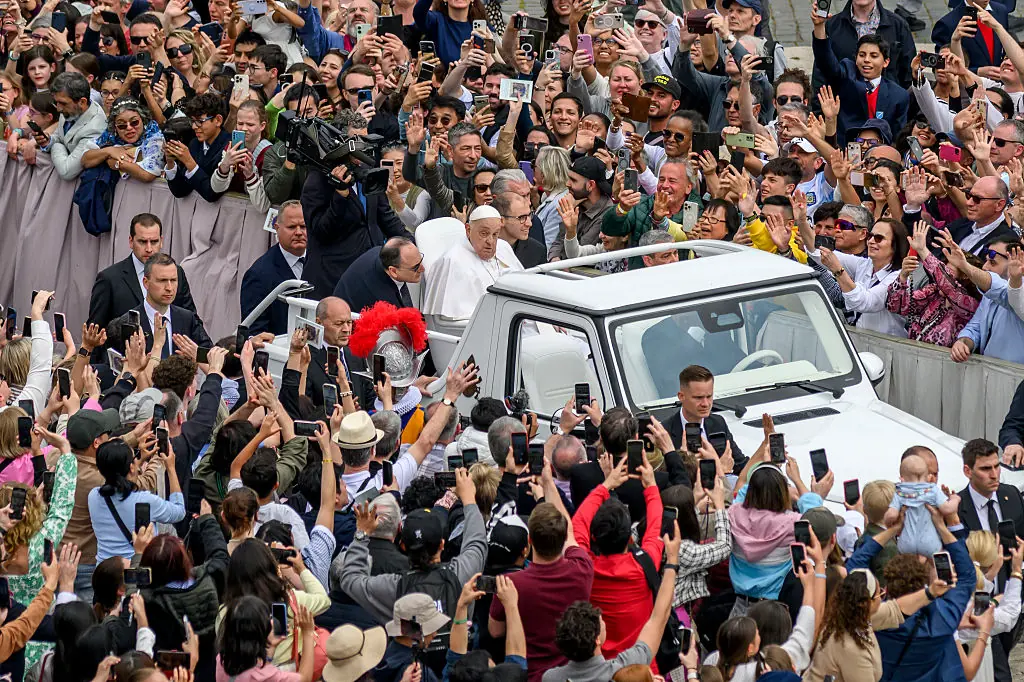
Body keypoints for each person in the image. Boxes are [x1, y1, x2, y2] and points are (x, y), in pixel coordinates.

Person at [540, 520, 682, 682]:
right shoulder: (621, 669)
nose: (604, 621)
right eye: (601, 622)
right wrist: (672, 562)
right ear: (597, 639)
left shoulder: (550, 678)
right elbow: (659, 618)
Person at [489, 476, 593, 682]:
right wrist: (548, 483)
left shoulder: (510, 584)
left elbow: (495, 631)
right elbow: (570, 530)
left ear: (529, 541)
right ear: (563, 540)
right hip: (576, 675)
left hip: (534, 676)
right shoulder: (582, 568)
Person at [956, 438, 1024, 682]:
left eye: (997, 467)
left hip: (1013, 595)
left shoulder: (1011, 495)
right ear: (968, 470)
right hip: (977, 609)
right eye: (986, 469)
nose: (995, 474)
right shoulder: (957, 507)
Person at [300, 151, 407, 300]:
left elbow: (386, 218)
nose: (361, 150)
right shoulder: (318, 178)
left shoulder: (368, 171)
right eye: (356, 143)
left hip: (370, 274)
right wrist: (340, 196)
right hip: (333, 281)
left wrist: (412, 243)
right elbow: (321, 231)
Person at [87, 212, 198, 336]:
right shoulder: (109, 279)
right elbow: (95, 334)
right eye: (143, 242)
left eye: (154, 242)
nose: (149, 249)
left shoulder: (177, 273)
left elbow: (193, 322)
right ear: (131, 241)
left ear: (161, 241)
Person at [810, 9, 909, 144]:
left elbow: (898, 138)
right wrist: (819, 27)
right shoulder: (846, 75)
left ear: (886, 62)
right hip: (844, 150)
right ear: (855, 58)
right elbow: (825, 61)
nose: (866, 60)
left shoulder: (898, 95)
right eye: (862, 55)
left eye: (874, 56)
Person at [421, 205, 524, 322]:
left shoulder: (503, 247)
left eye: (495, 234)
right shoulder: (452, 261)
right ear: (468, 230)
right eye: (484, 234)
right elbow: (449, 320)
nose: (490, 241)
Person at [88, 439, 185, 561]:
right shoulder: (145, 500)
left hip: (105, 570)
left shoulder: (93, 496)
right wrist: (171, 468)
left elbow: (118, 478)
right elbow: (179, 511)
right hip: (135, 569)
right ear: (131, 467)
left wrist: (136, 463)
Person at [108, 254, 213, 359]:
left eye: (173, 280)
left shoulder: (187, 318)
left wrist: (197, 355)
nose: (169, 288)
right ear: (146, 283)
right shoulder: (127, 323)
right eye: (162, 281)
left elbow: (210, 355)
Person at [818, 219, 910, 337]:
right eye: (870, 236)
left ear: (895, 246)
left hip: (889, 348)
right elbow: (817, 253)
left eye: (878, 238)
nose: (871, 241)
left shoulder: (898, 278)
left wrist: (838, 271)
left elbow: (864, 302)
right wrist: (802, 220)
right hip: (862, 341)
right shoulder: (865, 264)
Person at [239, 200, 308, 336]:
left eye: (304, 226)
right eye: (292, 227)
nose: (299, 232)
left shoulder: (322, 261)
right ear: (277, 228)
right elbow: (255, 332)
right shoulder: (258, 275)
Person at [216, 596, 317, 682]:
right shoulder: (263, 675)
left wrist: (270, 648)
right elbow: (304, 678)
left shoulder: (222, 659)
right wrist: (308, 633)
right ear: (260, 632)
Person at [661, 366, 744, 470]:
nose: (705, 404)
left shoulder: (718, 424)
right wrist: (720, 470)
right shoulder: (664, 433)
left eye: (709, 396)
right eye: (698, 398)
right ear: (681, 396)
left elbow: (741, 465)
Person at [883, 454, 960, 557]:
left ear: (902, 477)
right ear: (927, 475)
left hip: (906, 543)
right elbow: (948, 509)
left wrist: (889, 526)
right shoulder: (933, 490)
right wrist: (955, 499)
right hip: (930, 543)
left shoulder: (900, 492)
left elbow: (891, 515)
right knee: (935, 564)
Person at [164, 92, 232, 202]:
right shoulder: (194, 144)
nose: (194, 127)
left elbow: (211, 194)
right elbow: (180, 191)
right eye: (192, 121)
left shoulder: (228, 147)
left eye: (200, 121)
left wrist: (189, 162)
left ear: (218, 120)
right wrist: (170, 163)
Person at [332, 237, 423, 313]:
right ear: (393, 271)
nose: (422, 269)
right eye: (416, 267)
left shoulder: (382, 253)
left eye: (421, 260)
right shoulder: (385, 302)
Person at [548, 157, 614, 261]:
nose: (567, 184)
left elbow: (577, 251)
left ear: (591, 185)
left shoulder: (606, 214)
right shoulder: (578, 202)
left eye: (573, 180)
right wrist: (554, 258)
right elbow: (558, 241)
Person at [493, 192, 546, 269]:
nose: (529, 223)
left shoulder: (537, 251)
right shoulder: (483, 247)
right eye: (522, 218)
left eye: (529, 215)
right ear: (502, 221)